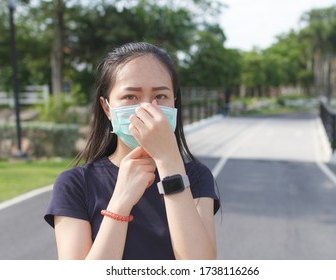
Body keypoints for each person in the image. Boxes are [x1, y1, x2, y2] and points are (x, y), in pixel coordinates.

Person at [44, 42, 220, 260]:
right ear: (107, 107)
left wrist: (169, 161)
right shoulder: (75, 184)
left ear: (174, 103)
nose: (147, 108)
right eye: (131, 97)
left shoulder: (196, 176)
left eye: (160, 96)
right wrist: (120, 202)